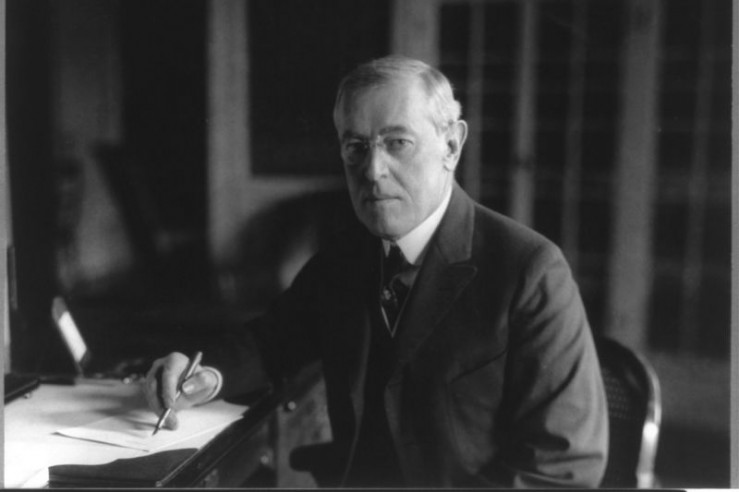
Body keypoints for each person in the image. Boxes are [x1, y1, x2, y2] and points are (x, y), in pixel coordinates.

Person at [144, 55, 608, 487]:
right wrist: (205, 373)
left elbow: (563, 465)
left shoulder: (529, 270)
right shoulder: (346, 254)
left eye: (397, 143)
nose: (372, 170)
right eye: (356, 147)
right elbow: (273, 339)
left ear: (451, 145)